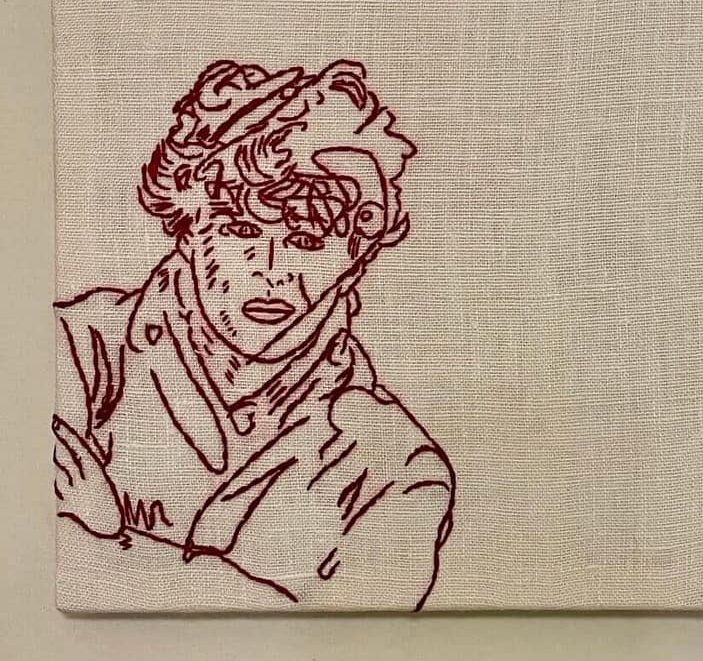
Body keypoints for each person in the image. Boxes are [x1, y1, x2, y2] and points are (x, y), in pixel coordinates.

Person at [52, 59, 455, 610]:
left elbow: (350, 641)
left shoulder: (394, 468)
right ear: (187, 225)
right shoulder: (75, 349)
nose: (271, 270)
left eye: (307, 240)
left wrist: (103, 536)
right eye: (239, 229)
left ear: (356, 255)